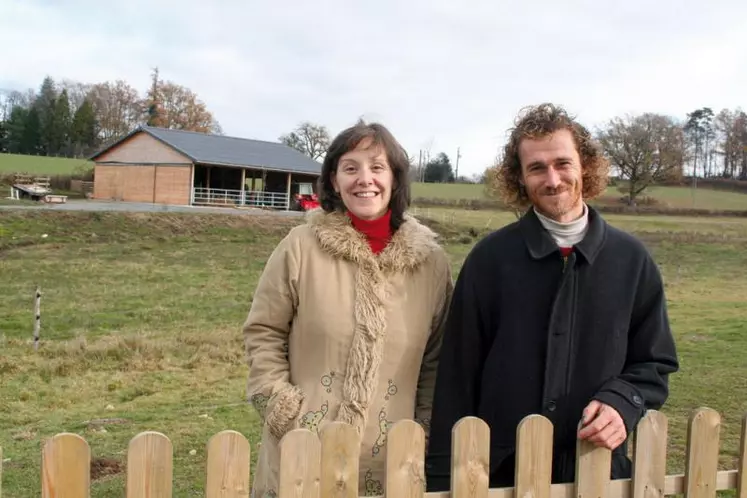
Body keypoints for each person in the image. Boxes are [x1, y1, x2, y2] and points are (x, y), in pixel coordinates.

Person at [424, 103, 679, 490]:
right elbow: (457, 379)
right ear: (519, 178)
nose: (553, 179)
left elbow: (655, 363)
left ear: (585, 166)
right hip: (499, 474)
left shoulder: (632, 261)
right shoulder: (489, 261)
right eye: (537, 168)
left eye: (563, 163)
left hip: (596, 471)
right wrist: (443, 481)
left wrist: (623, 401)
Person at [243, 120, 454, 498]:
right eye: (350, 167)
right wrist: (284, 409)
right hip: (302, 446)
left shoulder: (431, 263)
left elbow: (438, 358)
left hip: (390, 456)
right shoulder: (300, 246)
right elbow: (263, 331)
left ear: (395, 178)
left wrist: (422, 427)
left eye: (377, 167)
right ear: (335, 180)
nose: (364, 179)